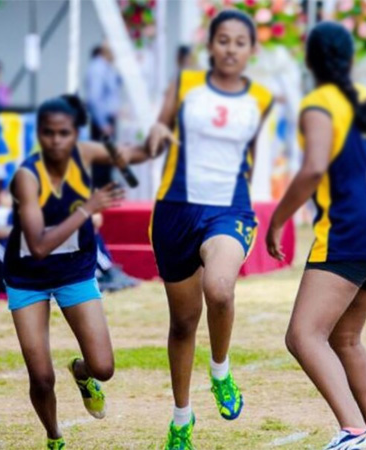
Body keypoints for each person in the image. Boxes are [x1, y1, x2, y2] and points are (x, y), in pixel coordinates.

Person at [266, 22, 366, 450]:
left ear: (310, 61)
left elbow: (313, 168)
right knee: (345, 338)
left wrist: (278, 220)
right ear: (350, 59)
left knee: (303, 335)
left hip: (351, 226)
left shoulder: (320, 104)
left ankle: (355, 431)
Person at [4, 94, 168, 449]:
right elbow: (38, 246)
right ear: (39, 134)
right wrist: (87, 209)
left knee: (103, 368)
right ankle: (54, 437)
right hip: (27, 276)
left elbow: (137, 153)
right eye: (49, 133)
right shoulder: (26, 177)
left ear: (75, 134)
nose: (56, 141)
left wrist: (160, 134)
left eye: (64, 133)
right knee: (41, 378)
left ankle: (81, 372)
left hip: (74, 270)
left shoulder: (87, 153)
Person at [149, 10, 272, 450]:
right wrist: (151, 138)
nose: (231, 49)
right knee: (183, 323)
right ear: (210, 45)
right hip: (175, 211)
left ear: (252, 49)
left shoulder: (260, 98)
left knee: (219, 289)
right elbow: (158, 131)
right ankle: (181, 418)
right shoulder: (185, 85)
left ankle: (220, 371)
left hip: (228, 209)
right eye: (223, 40)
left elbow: (250, 156)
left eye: (240, 42)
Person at [85, 42, 122, 188]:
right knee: (102, 157)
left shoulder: (107, 68)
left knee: (108, 156)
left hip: (106, 119)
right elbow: (94, 98)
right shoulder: (98, 69)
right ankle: (101, 188)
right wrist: (102, 123)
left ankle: (105, 185)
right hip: (102, 120)